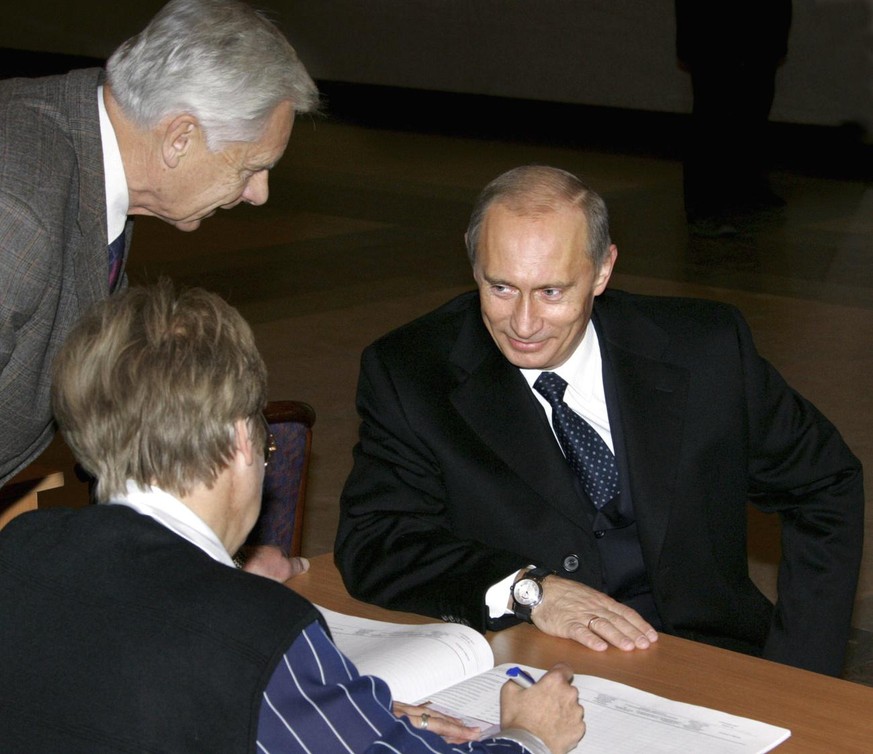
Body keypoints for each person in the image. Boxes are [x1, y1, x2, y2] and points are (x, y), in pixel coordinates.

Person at [0, 281, 586, 754]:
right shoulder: (258, 634)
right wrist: (529, 736)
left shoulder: (20, 547)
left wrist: (330, 708)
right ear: (238, 440)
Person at [335, 164, 864, 678]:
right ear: (474, 266)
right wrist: (528, 589)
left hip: (712, 659)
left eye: (552, 292)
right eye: (500, 287)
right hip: (529, 664)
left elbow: (825, 483)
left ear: (603, 270)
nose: (523, 323)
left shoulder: (705, 351)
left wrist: (803, 669)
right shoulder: (410, 372)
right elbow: (376, 541)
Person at [0, 0, 318, 491]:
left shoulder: (89, 153)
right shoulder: (18, 208)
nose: (259, 195)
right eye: (252, 167)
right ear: (179, 137)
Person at [675, 0, 793, 236]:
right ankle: (703, 207)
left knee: (755, 107)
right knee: (713, 114)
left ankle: (747, 186)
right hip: (713, 26)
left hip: (761, 22)